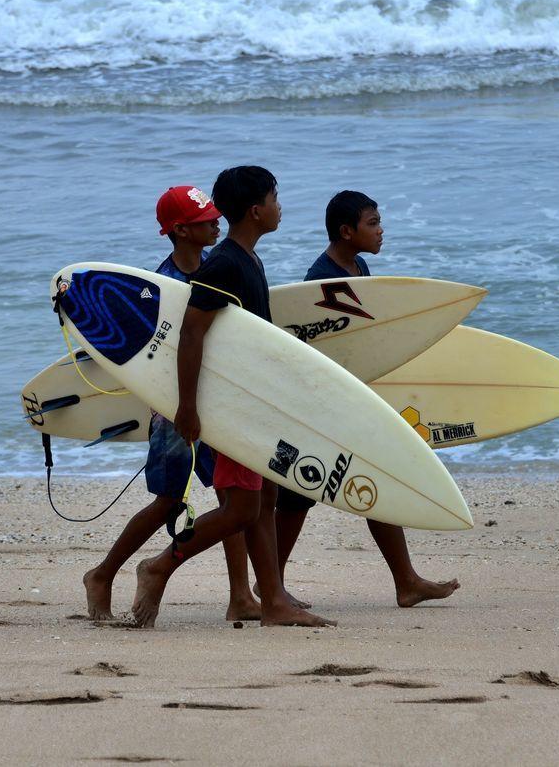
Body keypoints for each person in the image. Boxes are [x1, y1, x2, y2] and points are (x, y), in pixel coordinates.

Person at [130, 167, 334, 628]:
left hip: (252, 401)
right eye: (276, 198)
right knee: (242, 508)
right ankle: (160, 567)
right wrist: (187, 408)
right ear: (257, 210)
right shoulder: (224, 263)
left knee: (263, 502)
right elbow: (190, 334)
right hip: (230, 405)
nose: (281, 206)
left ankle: (273, 600)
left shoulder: (247, 259)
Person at [272, 190, 460, 608]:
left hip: (352, 398)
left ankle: (405, 581)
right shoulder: (319, 283)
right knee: (295, 498)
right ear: (346, 231)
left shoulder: (358, 268)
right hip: (324, 404)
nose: (381, 230)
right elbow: (312, 351)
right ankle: (271, 586)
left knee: (373, 476)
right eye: (373, 223)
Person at [82, 185, 260, 622]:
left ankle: (240, 596)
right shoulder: (159, 288)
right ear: (180, 230)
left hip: (214, 404)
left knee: (229, 499)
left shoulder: (216, 269)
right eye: (205, 218)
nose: (216, 221)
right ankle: (102, 575)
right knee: (168, 501)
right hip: (176, 408)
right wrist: (183, 408)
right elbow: (148, 356)